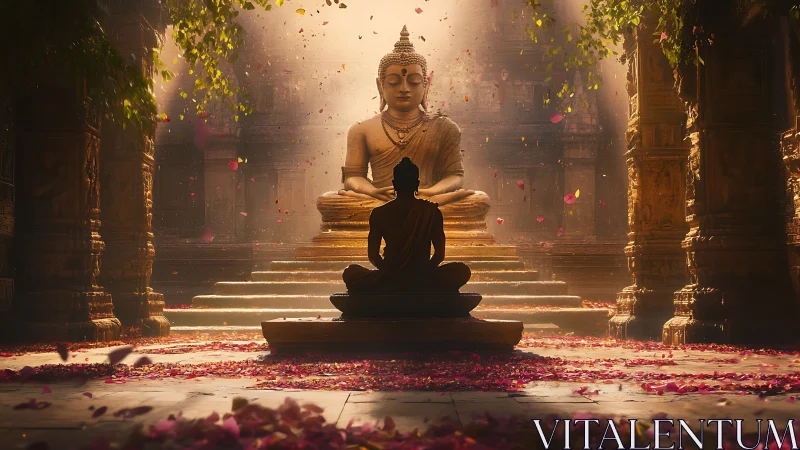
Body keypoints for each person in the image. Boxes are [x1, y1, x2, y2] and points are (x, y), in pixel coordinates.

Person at [342, 157, 471, 294]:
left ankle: (391, 288)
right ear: (416, 184)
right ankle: (417, 288)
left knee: (350, 273)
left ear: (394, 184)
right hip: (422, 277)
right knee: (461, 271)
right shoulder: (432, 212)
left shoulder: (380, 213)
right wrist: (421, 274)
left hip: (390, 276)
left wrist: (389, 273)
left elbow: (373, 256)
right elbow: (439, 255)